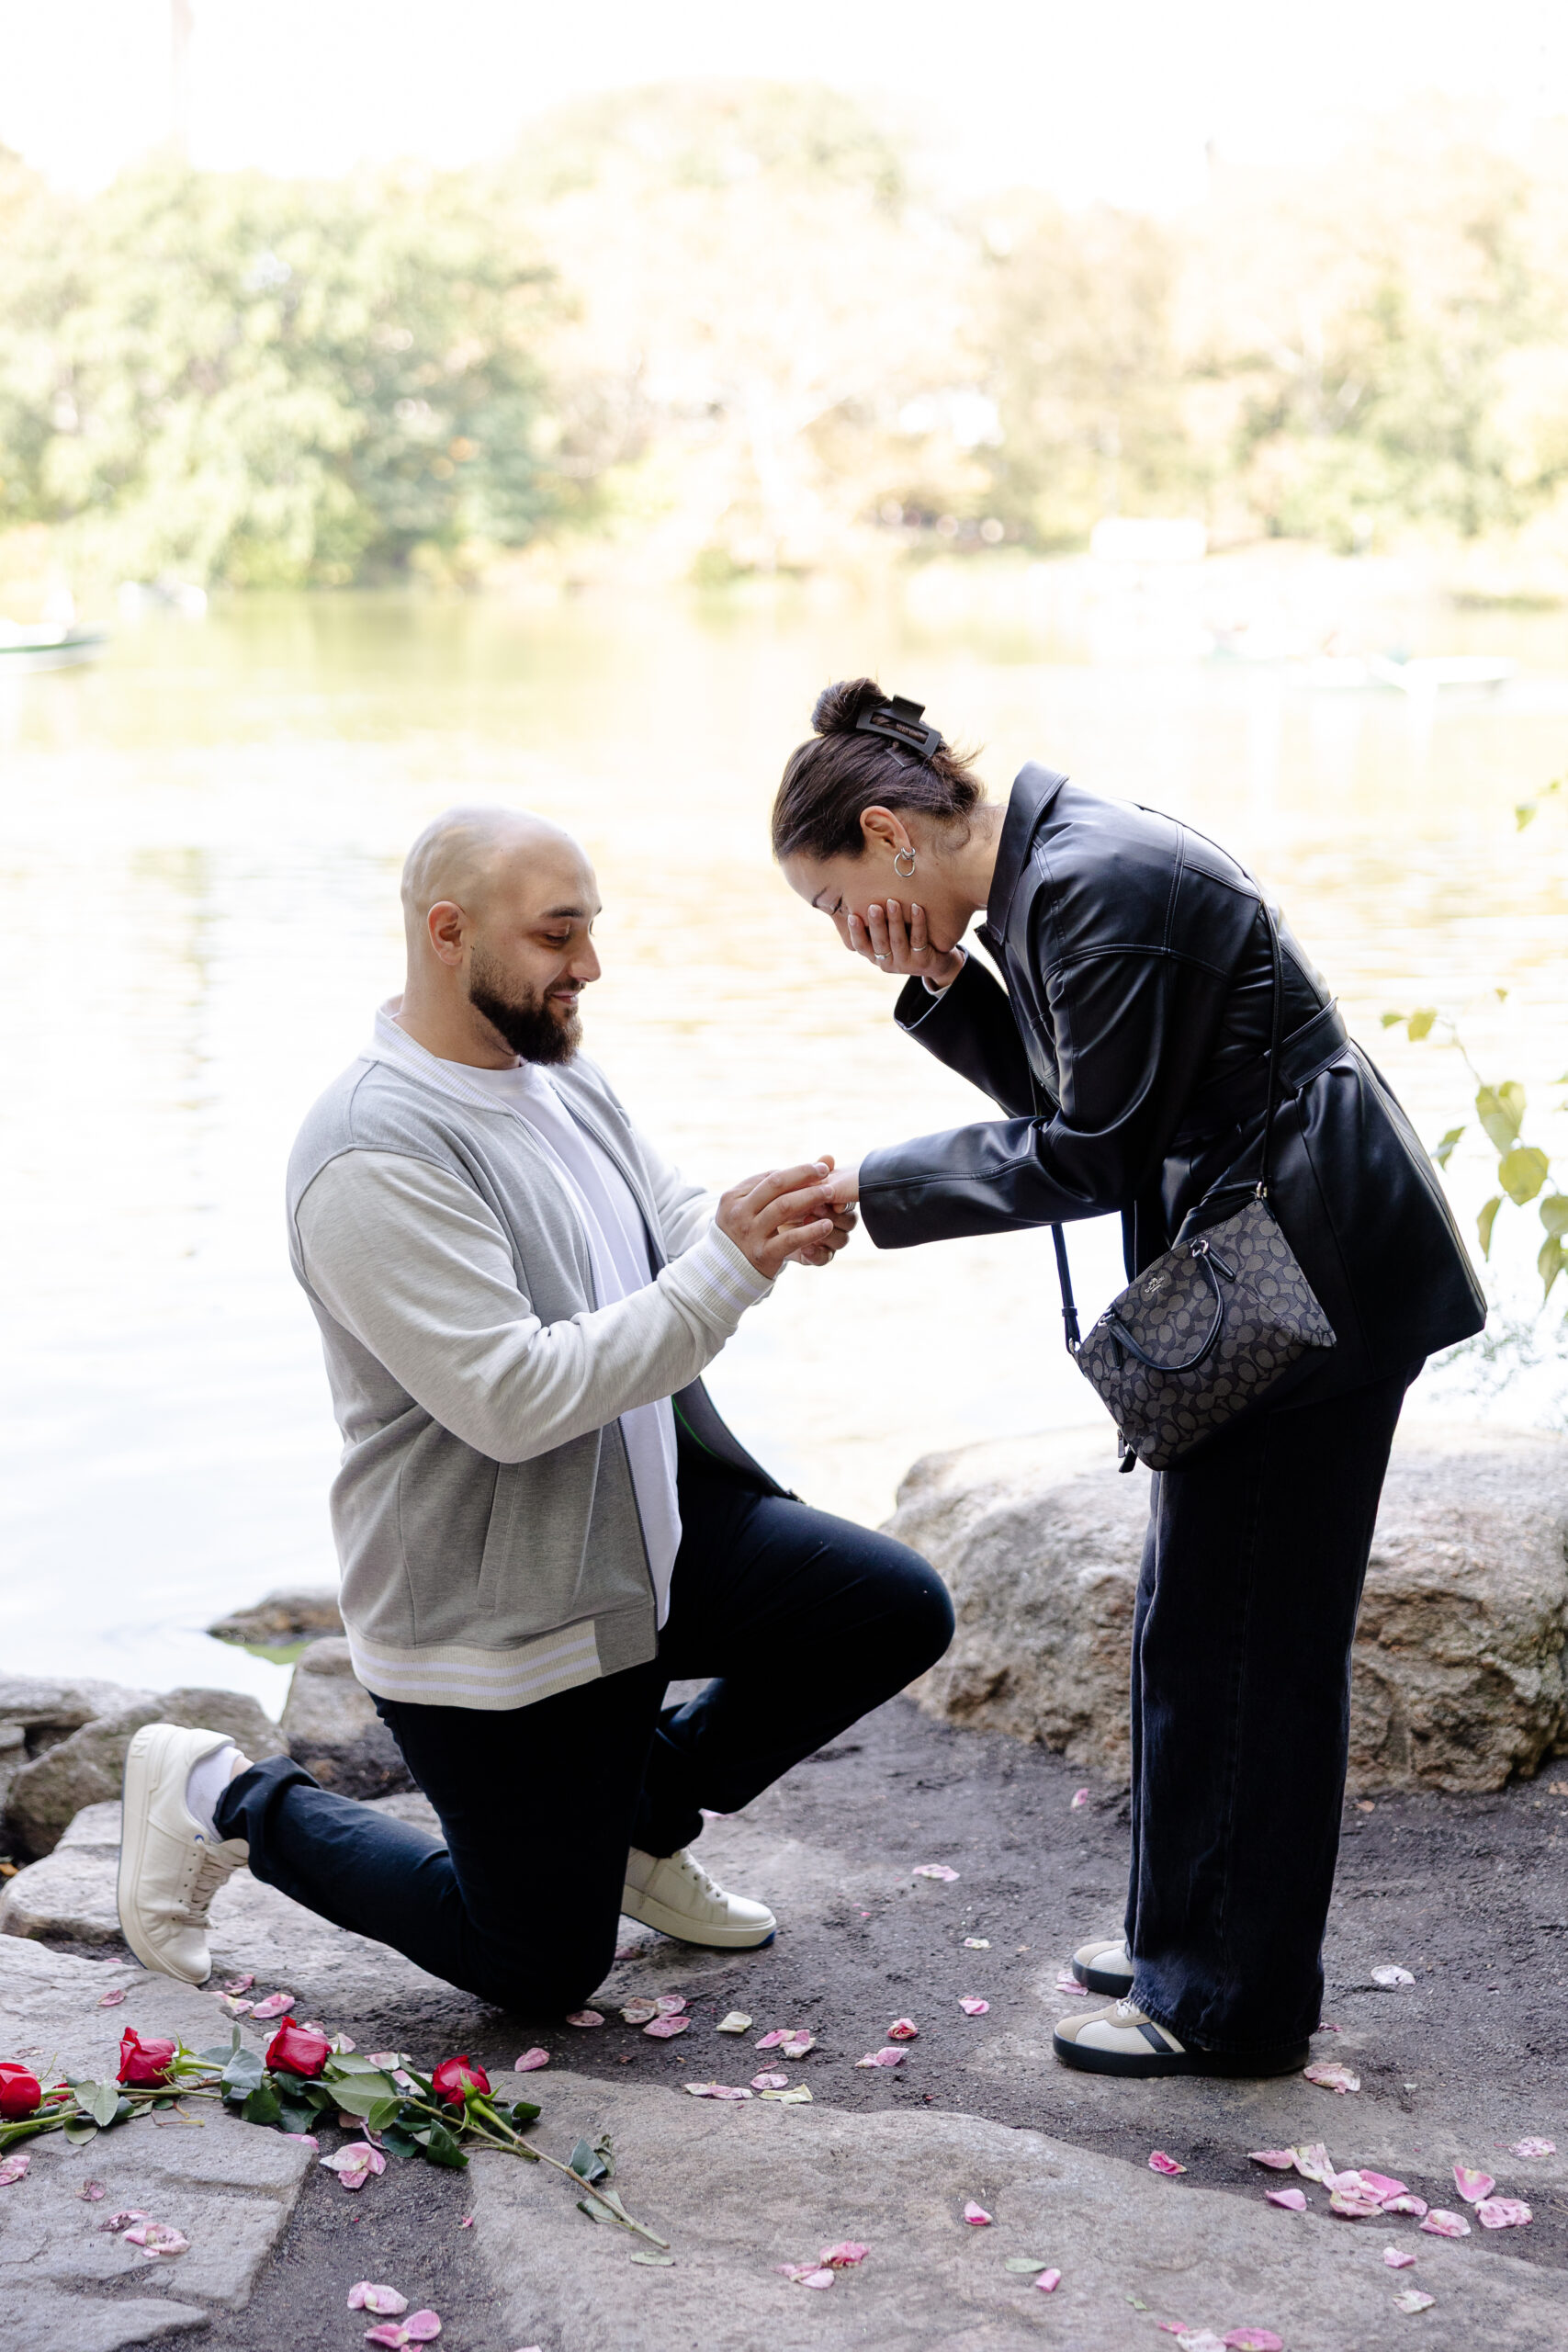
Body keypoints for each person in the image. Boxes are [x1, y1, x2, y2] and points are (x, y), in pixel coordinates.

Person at [117, 806, 953, 2010]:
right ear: (448, 934)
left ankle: (635, 1832)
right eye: (560, 936)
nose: (590, 968)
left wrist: (752, 1224)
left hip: (637, 1546)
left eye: (591, 930)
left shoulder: (555, 1075)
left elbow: (662, 1216)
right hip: (498, 1608)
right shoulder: (370, 1151)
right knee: (539, 1967)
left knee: (887, 1610)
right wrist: (720, 1273)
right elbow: (512, 1401)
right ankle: (216, 1794)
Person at [772, 679, 1485, 2082]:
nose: (844, 929)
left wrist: (874, 1184)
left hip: (1305, 1281)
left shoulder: (1093, 881)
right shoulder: (1057, 868)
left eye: (831, 899)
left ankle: (1227, 2004)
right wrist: (938, 986)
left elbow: (1085, 1153)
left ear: (884, 833)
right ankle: (1187, 1936)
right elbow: (1081, 1099)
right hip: (1270, 1269)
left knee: (1246, 1651)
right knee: (1195, 1627)